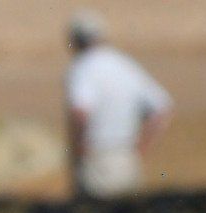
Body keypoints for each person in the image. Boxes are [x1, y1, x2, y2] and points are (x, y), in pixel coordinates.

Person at [65, 10, 172, 198]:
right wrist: (141, 147)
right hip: (128, 159)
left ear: (75, 40)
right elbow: (162, 107)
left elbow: (80, 111)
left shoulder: (82, 67)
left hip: (97, 159)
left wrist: (79, 147)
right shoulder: (124, 64)